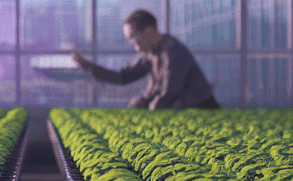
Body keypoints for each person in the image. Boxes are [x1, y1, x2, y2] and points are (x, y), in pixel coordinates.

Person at [70, 9, 220, 110]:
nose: (135, 47)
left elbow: (169, 92)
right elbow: (122, 77)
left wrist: (148, 104)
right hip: (180, 114)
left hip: (202, 110)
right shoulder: (150, 55)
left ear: (149, 31)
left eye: (134, 40)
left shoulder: (173, 52)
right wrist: (85, 64)